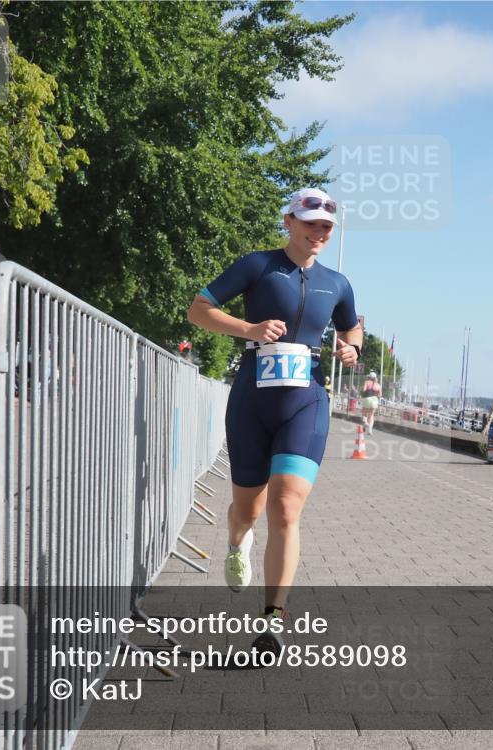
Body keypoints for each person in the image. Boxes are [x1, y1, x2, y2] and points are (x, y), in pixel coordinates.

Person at [187, 187, 362, 654]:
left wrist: (352, 347)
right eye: (310, 222)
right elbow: (198, 309)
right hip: (252, 400)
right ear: (289, 221)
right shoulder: (256, 265)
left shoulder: (338, 282)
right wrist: (249, 329)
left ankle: (272, 619)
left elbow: (352, 324)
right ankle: (237, 541)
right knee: (249, 509)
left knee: (286, 507)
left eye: (327, 226)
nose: (319, 232)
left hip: (306, 401)